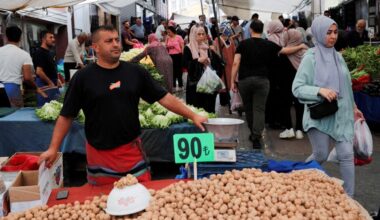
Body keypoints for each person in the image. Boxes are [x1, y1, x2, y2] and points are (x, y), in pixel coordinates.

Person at [38, 26, 207, 185]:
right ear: (95, 47)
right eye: (109, 41)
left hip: (132, 153)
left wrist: (193, 115)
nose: (116, 44)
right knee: (102, 205)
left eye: (116, 40)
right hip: (99, 157)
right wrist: (53, 148)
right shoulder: (82, 78)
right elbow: (67, 115)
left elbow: (164, 98)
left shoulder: (136, 72)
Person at [292, 16, 364, 197]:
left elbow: (346, 85)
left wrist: (354, 107)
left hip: (342, 114)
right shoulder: (311, 58)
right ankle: (297, 180)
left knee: (347, 155)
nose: (333, 37)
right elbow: (297, 88)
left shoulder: (338, 57)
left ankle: (349, 198)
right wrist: (320, 90)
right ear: (318, 33)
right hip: (321, 114)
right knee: (321, 154)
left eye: (334, 32)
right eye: (328, 33)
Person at [230, 20, 307, 149]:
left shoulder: (242, 44)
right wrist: (300, 47)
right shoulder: (268, 44)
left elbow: (236, 63)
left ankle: (253, 134)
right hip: (262, 80)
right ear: (262, 30)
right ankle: (257, 136)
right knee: (259, 109)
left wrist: (232, 81)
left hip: (244, 80)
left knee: (249, 109)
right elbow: (285, 51)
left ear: (251, 30)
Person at [0, 26, 46, 107]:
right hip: (12, 89)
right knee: (15, 115)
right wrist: (36, 88)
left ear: (6, 37)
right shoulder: (24, 54)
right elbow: (27, 78)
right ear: (20, 38)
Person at [278, 29, 307, 139]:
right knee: (300, 104)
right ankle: (299, 130)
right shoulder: (305, 52)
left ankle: (289, 128)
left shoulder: (283, 54)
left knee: (286, 104)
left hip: (285, 84)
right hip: (300, 84)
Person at [183, 25, 217, 113]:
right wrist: (198, 61)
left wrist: (210, 59)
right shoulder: (188, 48)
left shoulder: (206, 47)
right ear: (193, 35)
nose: (201, 36)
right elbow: (186, 64)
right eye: (199, 34)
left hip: (207, 81)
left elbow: (214, 63)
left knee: (208, 106)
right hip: (195, 83)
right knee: (197, 108)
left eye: (203, 34)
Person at [33, 30, 61, 107]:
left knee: (55, 108)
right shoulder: (39, 53)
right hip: (45, 85)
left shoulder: (49, 53)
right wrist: (50, 83)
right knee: (45, 109)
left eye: (53, 37)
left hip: (52, 83)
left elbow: (50, 68)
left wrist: (56, 80)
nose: (53, 39)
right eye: (50, 37)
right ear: (43, 39)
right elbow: (39, 71)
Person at [166, 26, 184, 92]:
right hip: (170, 56)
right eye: (167, 32)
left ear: (173, 31)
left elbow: (182, 46)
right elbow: (166, 46)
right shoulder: (168, 38)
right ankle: (173, 86)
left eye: (169, 32)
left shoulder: (179, 37)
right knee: (172, 71)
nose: (168, 34)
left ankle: (180, 85)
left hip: (178, 55)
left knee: (179, 71)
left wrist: (182, 54)